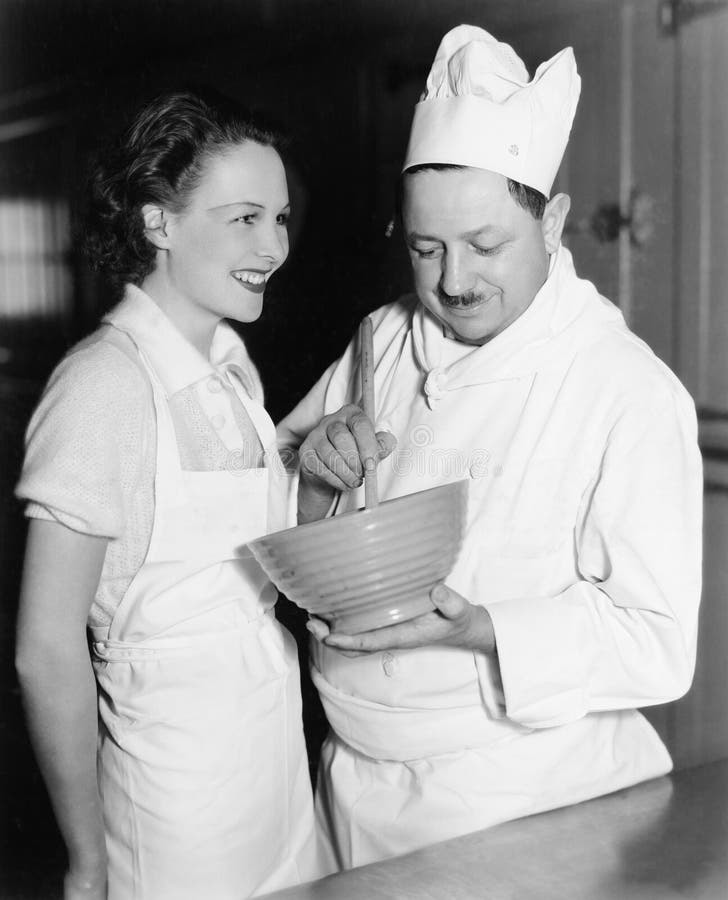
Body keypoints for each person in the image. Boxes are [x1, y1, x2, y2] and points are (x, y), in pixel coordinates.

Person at [279, 25, 703, 869]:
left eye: (485, 245)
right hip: (354, 787)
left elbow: (659, 646)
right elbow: (285, 501)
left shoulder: (622, 388)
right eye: (426, 248)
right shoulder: (382, 339)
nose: (453, 282)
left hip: (525, 802)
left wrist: (481, 628)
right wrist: (316, 473)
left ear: (552, 222)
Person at [15, 89, 322, 900]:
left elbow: (246, 538)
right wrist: (85, 859)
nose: (274, 247)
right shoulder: (101, 387)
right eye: (245, 218)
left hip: (278, 771)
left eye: (281, 219)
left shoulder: (229, 363)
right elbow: (45, 652)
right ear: (157, 222)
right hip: (174, 797)